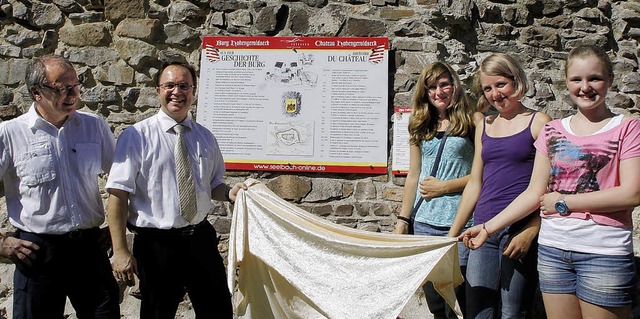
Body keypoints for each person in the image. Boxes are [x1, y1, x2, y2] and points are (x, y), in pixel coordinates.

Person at [460, 46, 640, 319]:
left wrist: (563, 203)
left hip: (604, 251)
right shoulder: (554, 130)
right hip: (554, 250)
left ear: (610, 80)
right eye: (576, 80)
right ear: (566, 82)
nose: (585, 87)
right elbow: (534, 192)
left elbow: (631, 193)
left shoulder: (627, 127)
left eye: (595, 79)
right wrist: (486, 227)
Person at [106, 61, 245, 319]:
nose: (176, 92)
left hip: (200, 239)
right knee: (158, 314)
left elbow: (213, 184)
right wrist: (121, 250)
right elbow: (118, 194)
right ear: (158, 90)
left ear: (193, 91)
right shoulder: (136, 136)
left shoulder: (205, 137)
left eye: (184, 86)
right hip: (157, 244)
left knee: (218, 311)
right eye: (169, 85)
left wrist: (229, 193)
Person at [0, 55, 119, 318]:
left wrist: (116, 230)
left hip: (89, 248)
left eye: (75, 86)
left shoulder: (94, 126)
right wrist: (1, 243)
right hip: (38, 253)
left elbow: (123, 180)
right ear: (36, 93)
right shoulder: (10, 133)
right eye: (62, 88)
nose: (72, 94)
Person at [447, 53, 551, 319]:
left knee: (513, 312)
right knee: (477, 310)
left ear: (516, 81)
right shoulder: (484, 122)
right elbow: (475, 182)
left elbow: (550, 185)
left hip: (519, 229)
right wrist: (452, 234)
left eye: (500, 84)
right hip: (483, 229)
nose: (495, 94)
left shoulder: (540, 122)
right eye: (487, 88)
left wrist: (532, 228)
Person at [394, 62, 481, 319]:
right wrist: (403, 219)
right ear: (425, 92)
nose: (439, 92)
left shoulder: (473, 121)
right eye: (432, 87)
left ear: (455, 85)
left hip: (460, 222)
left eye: (444, 84)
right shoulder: (420, 123)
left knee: (458, 303)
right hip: (425, 223)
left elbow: (482, 174)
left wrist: (445, 186)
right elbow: (414, 175)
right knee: (435, 303)